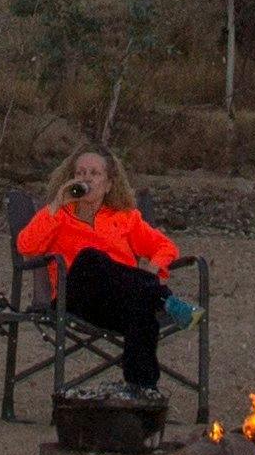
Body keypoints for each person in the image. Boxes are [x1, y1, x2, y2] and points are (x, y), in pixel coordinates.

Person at [14, 148, 195, 399]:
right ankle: (163, 298)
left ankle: (143, 390)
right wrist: (56, 204)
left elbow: (166, 247)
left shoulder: (125, 218)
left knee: (140, 309)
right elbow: (26, 246)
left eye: (94, 173)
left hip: (116, 302)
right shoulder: (57, 215)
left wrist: (153, 268)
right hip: (75, 298)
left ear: (109, 184)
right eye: (80, 172)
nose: (86, 178)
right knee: (90, 258)